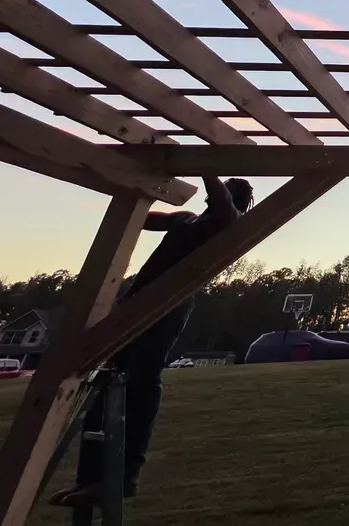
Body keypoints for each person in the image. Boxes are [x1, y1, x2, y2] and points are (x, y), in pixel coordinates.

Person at [50, 176, 254, 507]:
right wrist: (132, 194)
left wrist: (205, 166)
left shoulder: (227, 222)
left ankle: (126, 476)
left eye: (230, 189)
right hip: (136, 301)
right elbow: (145, 220)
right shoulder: (187, 219)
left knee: (142, 381)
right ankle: (90, 478)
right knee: (104, 383)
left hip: (168, 306)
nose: (220, 190)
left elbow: (219, 200)